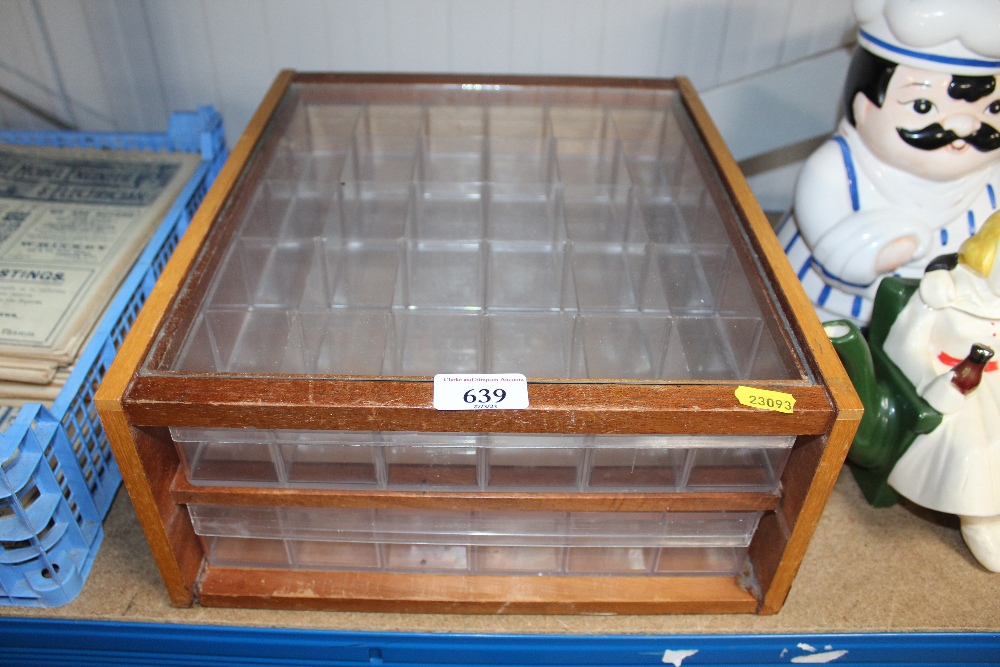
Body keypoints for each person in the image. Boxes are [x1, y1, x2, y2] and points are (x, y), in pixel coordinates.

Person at [778, 0, 1000, 325]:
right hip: (832, 313)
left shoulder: (990, 176)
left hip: (952, 320)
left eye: (992, 109)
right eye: (923, 106)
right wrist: (879, 252)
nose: (964, 126)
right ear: (863, 106)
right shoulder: (835, 170)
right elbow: (831, 244)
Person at [881, 210, 1000, 572]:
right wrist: (937, 382)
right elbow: (905, 346)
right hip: (955, 383)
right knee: (976, 448)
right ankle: (980, 518)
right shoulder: (945, 291)